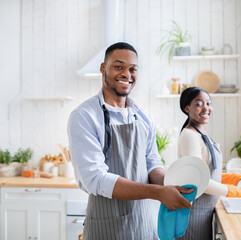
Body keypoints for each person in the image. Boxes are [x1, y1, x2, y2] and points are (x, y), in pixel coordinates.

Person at [67, 42, 194, 240]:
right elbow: (95, 179)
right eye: (119, 66)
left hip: (146, 224)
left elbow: (152, 163)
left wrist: (171, 183)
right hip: (107, 227)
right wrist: (159, 193)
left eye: (132, 69)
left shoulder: (143, 117)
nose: (127, 73)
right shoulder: (84, 116)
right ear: (103, 68)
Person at [177, 87, 241, 239]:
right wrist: (239, 192)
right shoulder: (189, 135)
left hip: (204, 211)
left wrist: (231, 178)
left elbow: (205, 171)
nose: (206, 108)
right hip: (193, 212)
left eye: (208, 103)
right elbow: (198, 181)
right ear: (186, 108)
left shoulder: (201, 134)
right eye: (199, 104)